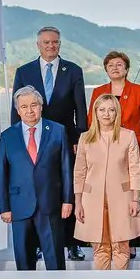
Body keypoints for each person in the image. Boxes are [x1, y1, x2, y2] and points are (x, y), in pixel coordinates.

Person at [11, 26, 88, 261]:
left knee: (67, 189)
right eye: (46, 42)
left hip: (65, 141)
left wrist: (79, 139)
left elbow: (81, 110)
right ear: (38, 45)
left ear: (60, 44)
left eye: (55, 42)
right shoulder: (24, 71)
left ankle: (72, 243)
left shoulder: (73, 71)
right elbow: (17, 110)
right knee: (36, 189)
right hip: (33, 140)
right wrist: (17, 141)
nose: (51, 46)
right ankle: (36, 244)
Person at [0, 86, 74, 270]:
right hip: (19, 207)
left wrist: (67, 200)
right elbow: (2, 174)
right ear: (17, 110)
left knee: (55, 260)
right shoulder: (7, 136)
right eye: (24, 107)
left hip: (50, 204)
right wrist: (4, 207)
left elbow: (66, 169)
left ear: (41, 106)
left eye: (34, 105)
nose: (29, 110)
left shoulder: (57, 131)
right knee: (24, 262)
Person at [75, 93, 140, 270]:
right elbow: (79, 172)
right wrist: (78, 202)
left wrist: (135, 199)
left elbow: (135, 170)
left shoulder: (128, 136)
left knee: (122, 248)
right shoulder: (85, 138)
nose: (106, 114)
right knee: (100, 249)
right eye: (102, 110)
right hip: (92, 200)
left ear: (117, 113)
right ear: (95, 112)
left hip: (123, 199)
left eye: (111, 110)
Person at [89, 51, 140, 165]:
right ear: (106, 70)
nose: (114, 68)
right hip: (103, 146)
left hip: (132, 146)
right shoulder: (98, 92)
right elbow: (91, 121)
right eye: (110, 65)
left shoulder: (139, 91)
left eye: (119, 64)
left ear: (127, 69)